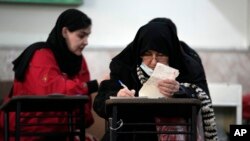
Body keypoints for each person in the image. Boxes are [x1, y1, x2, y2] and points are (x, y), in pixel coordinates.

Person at [93, 22, 218, 141]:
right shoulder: (125, 69)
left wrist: (179, 91)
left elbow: (200, 100)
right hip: (131, 135)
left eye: (161, 55)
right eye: (147, 54)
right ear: (138, 53)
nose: (153, 62)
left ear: (171, 54)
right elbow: (99, 102)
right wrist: (117, 96)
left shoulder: (187, 71)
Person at [0, 9, 98, 141]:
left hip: (61, 131)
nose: (86, 41)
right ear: (64, 32)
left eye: (88, 36)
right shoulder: (40, 54)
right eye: (81, 35)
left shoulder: (79, 61)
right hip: (29, 132)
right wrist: (91, 85)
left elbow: (83, 109)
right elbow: (54, 90)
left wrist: (78, 131)